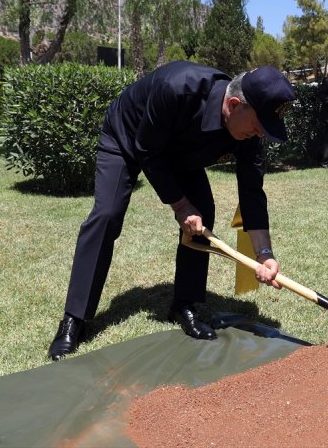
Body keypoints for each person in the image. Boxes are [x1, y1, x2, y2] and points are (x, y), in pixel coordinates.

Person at [47, 61, 296, 361]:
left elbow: (252, 192)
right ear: (233, 105)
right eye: (258, 126)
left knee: (202, 211)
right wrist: (179, 205)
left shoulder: (248, 131)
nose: (259, 135)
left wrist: (264, 254)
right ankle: (74, 319)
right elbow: (147, 150)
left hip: (180, 154)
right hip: (126, 138)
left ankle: (185, 304)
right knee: (107, 215)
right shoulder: (177, 87)